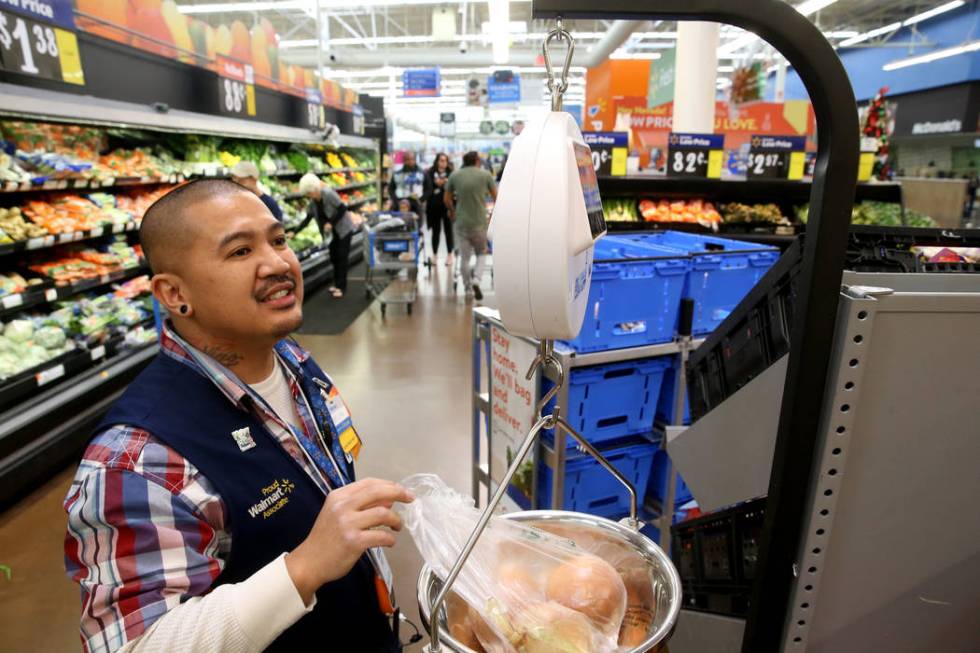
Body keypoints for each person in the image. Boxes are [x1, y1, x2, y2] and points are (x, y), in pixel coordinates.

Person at [63, 179, 413, 653]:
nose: (278, 263)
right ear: (173, 293)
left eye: (279, 240)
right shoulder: (137, 459)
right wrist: (305, 567)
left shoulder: (291, 361)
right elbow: (135, 645)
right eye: (240, 252)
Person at [292, 173, 358, 298]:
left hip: (343, 229)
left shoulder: (328, 194)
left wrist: (331, 223)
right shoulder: (313, 202)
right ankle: (337, 284)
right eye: (307, 194)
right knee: (334, 258)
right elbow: (308, 218)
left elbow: (342, 208)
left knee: (341, 258)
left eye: (309, 193)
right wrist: (295, 232)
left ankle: (341, 287)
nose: (309, 196)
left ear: (315, 189)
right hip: (330, 234)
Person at [446, 151, 496, 301]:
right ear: (476, 161)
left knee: (464, 257)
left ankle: (467, 288)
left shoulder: (455, 175)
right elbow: (496, 197)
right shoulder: (485, 175)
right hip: (480, 221)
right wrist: (493, 214)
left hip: (461, 222)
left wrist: (452, 211)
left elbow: (446, 199)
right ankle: (477, 280)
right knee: (482, 253)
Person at [422, 152, 454, 267]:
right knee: (435, 232)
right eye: (441, 160)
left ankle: (450, 255)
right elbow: (426, 188)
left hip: (447, 206)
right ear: (436, 161)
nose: (443, 162)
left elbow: (454, 189)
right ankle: (434, 255)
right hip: (434, 207)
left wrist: (446, 183)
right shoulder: (429, 173)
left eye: (445, 160)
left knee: (448, 231)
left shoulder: (451, 173)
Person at [387, 151, 425, 216]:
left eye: (412, 159)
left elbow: (428, 188)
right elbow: (391, 188)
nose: (410, 162)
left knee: (416, 224)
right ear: (404, 161)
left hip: (416, 205)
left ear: (415, 160)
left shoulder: (422, 173)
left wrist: (421, 200)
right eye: (407, 159)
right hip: (400, 205)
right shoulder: (397, 174)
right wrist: (396, 200)